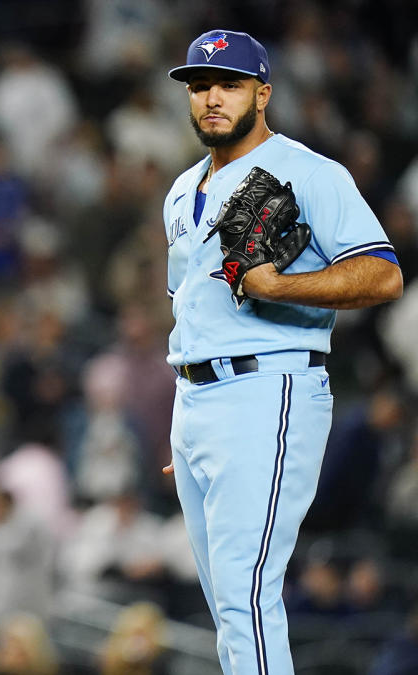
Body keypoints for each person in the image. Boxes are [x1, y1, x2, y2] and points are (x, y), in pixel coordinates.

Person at [161, 29, 403, 674]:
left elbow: (383, 274)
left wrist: (279, 284)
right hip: (197, 400)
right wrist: (187, 425)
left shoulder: (311, 173)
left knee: (245, 593)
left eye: (229, 84)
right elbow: (187, 306)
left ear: (262, 93)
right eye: (200, 85)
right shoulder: (182, 191)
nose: (212, 97)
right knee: (225, 606)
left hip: (269, 389)